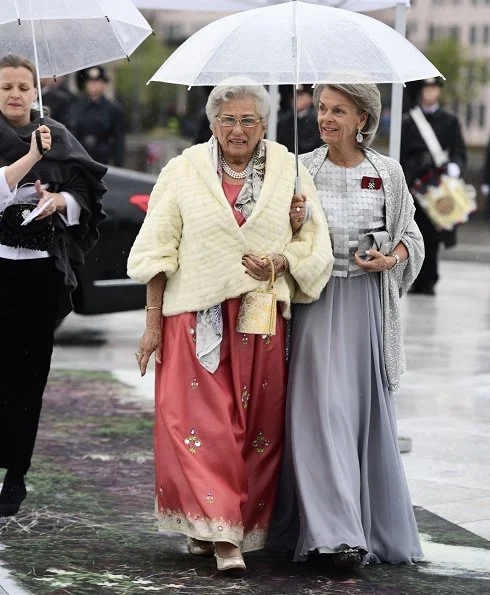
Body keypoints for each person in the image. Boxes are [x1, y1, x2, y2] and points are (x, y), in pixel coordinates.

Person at [127, 81, 333, 572]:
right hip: (194, 318)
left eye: (247, 120)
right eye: (227, 119)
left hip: (259, 317)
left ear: (264, 124)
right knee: (202, 427)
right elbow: (157, 251)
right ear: (212, 123)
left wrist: (283, 258)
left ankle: (224, 523)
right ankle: (224, 539)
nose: (237, 129)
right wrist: (152, 325)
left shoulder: (291, 170)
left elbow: (315, 248)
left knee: (257, 429)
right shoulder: (182, 171)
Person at [269, 83, 425, 568]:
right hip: (316, 304)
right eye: (321, 108)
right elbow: (277, 236)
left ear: (363, 118)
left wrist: (390, 256)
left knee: (357, 417)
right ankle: (333, 535)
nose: (326, 118)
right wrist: (291, 222)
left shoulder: (388, 172)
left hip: (367, 309)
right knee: (319, 416)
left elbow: (412, 236)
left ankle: (360, 529)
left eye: (338, 110)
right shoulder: (301, 169)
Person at [0, 54, 107, 517]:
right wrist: (31, 159)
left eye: (24, 86)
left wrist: (59, 200)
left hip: (42, 273)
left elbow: (86, 193)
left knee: (29, 376)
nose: (15, 94)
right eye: (6, 86)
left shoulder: (57, 133)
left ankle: (16, 472)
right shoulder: (35, 144)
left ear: (35, 90)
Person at [400, 78, 467, 295]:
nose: (430, 92)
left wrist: (456, 166)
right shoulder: (409, 121)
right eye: (426, 88)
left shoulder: (449, 120)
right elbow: (402, 154)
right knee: (414, 232)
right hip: (415, 185)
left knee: (433, 235)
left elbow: (458, 150)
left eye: (434, 88)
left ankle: (430, 279)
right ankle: (415, 277)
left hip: (438, 185)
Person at [68, 66, 125, 167]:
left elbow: (119, 141)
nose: (93, 86)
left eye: (97, 82)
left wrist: (118, 164)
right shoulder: (76, 107)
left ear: (104, 84)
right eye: (90, 82)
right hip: (81, 157)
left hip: (103, 159)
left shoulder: (113, 109)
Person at [277, 85, 323, 154]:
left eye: (301, 95)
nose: (296, 99)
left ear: (310, 97)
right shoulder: (284, 120)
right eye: (293, 95)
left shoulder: (317, 119)